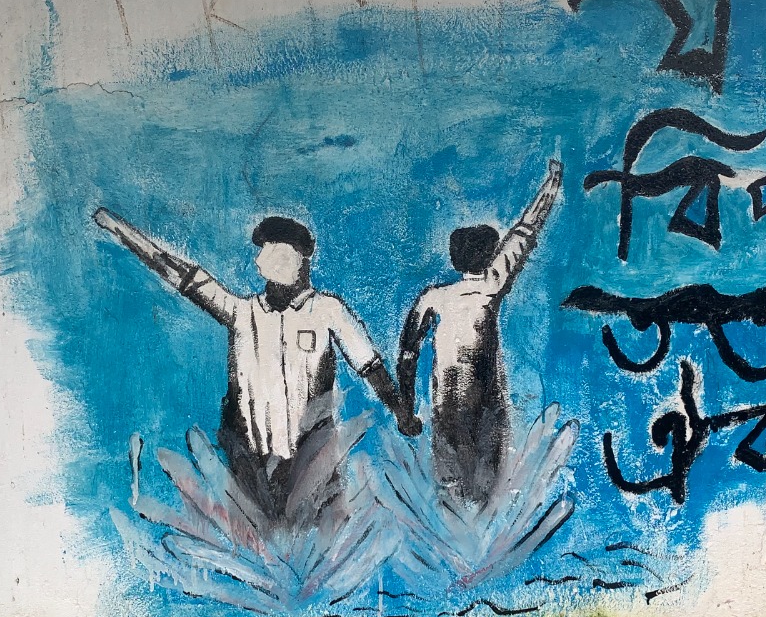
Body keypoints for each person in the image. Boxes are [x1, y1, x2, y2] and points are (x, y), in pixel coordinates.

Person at [93, 208, 418, 517]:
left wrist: (401, 412)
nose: (264, 262)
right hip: (251, 463)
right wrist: (121, 230)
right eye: (265, 255)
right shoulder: (242, 313)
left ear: (300, 260)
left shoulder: (327, 310)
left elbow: (369, 365)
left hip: (312, 462)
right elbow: (179, 272)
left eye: (278, 255)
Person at [396, 158, 563, 507]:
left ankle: (457, 526)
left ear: (454, 258)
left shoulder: (433, 298)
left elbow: (407, 356)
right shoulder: (490, 285)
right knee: (487, 482)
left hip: (448, 401)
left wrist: (407, 410)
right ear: (489, 255)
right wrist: (551, 186)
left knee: (452, 485)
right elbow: (525, 231)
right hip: (486, 397)